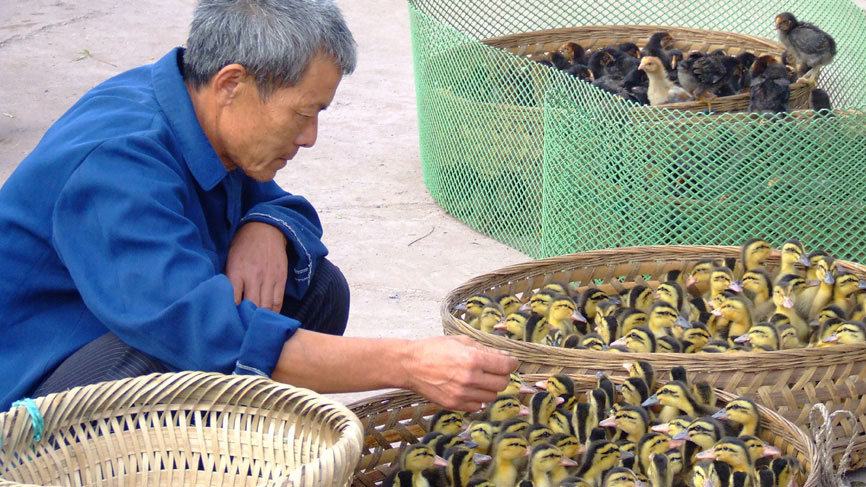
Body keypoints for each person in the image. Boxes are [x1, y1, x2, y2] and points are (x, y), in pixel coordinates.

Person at [0, 0, 517, 412]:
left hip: (124, 318)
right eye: (302, 113)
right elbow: (201, 333)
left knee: (316, 288)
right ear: (232, 83)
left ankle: (227, 436)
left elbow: (283, 204)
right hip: (33, 384)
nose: (310, 136)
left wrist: (266, 223)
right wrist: (406, 363)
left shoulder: (195, 104)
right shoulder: (115, 162)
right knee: (168, 352)